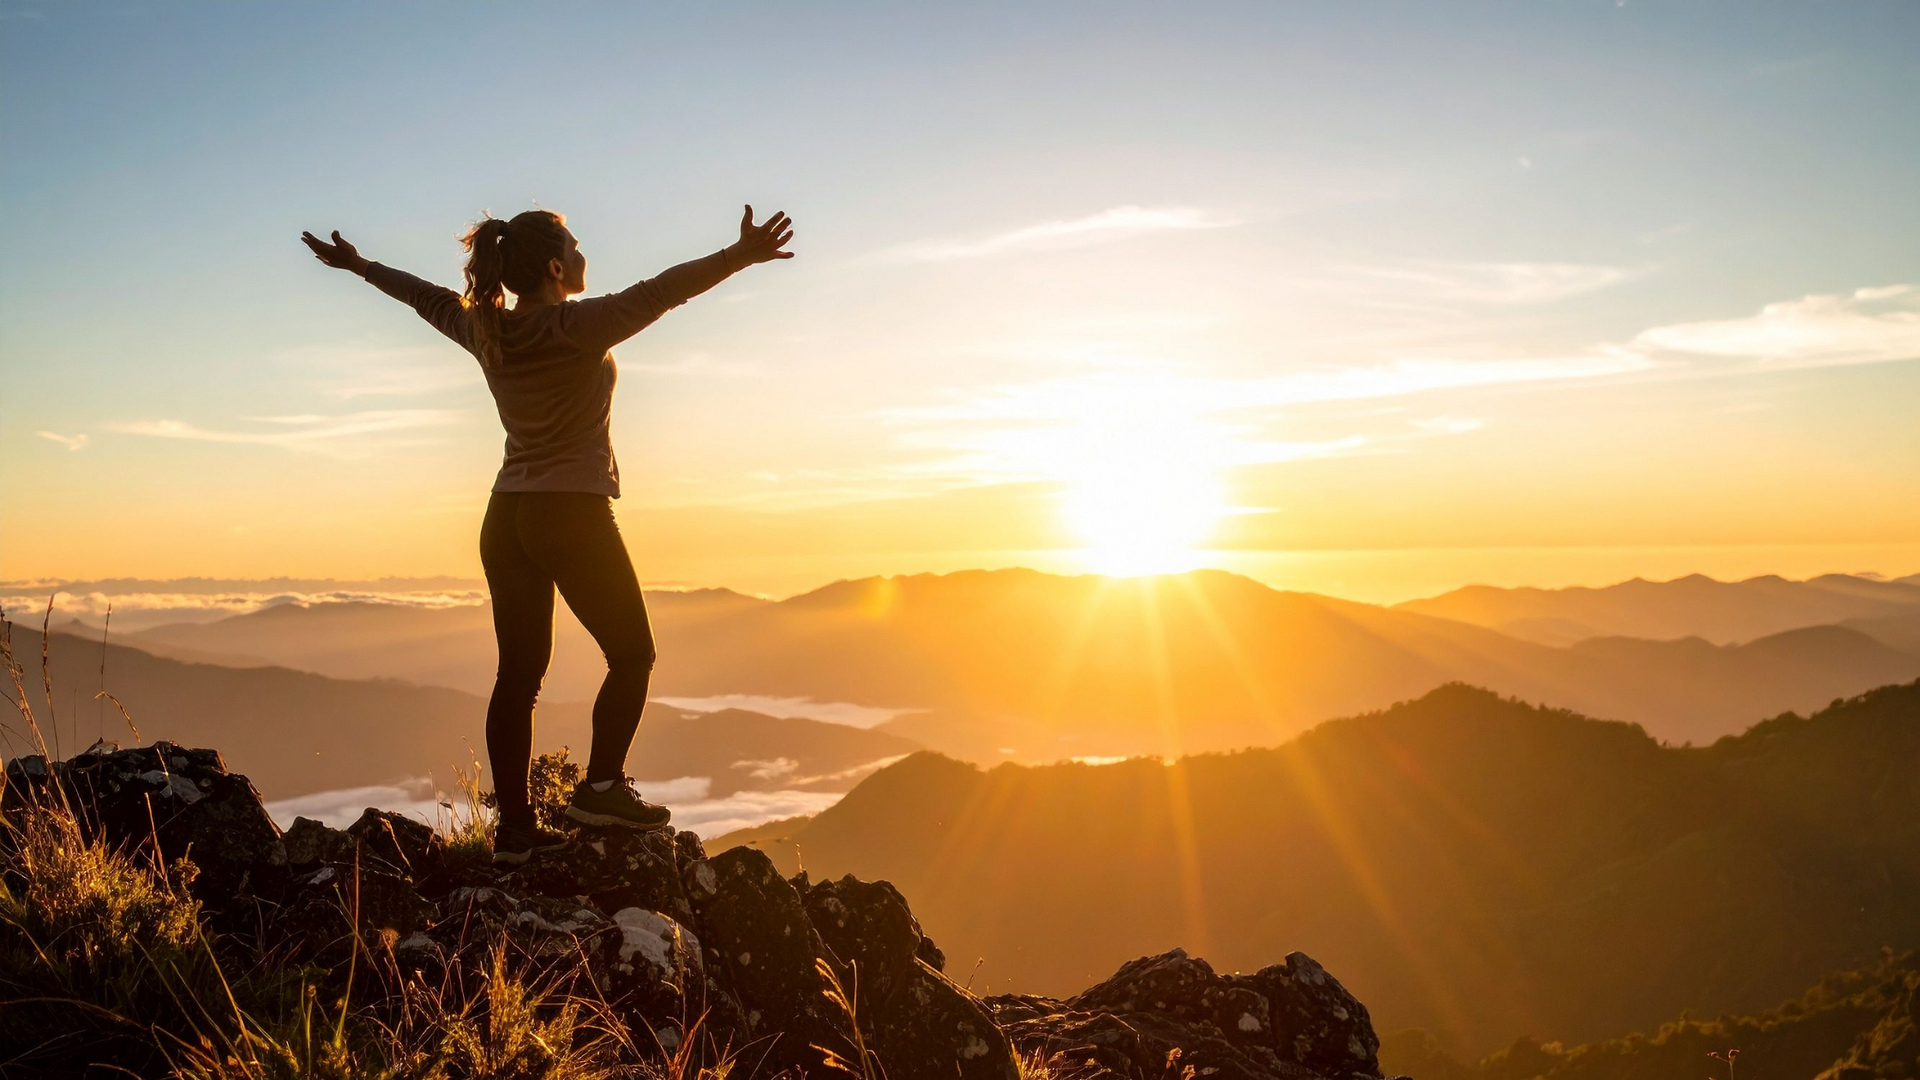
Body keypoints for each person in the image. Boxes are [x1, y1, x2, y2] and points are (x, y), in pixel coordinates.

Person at [300, 206, 795, 864]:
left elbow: (424, 298)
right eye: (575, 243)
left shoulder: (486, 329)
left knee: (519, 675)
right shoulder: (578, 326)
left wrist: (360, 266)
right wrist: (739, 256)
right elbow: (665, 290)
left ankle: (514, 834)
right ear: (557, 267)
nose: (585, 249)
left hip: (506, 519)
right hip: (571, 514)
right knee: (632, 655)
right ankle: (601, 788)